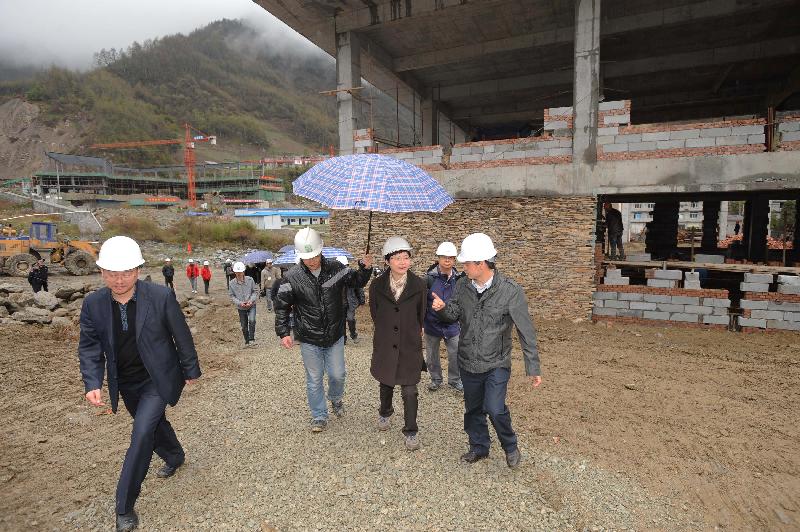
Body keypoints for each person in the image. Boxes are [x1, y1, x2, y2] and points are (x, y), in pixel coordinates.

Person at [78, 236, 201, 532]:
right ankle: (175, 455)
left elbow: (180, 335)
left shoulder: (160, 297)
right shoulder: (93, 304)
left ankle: (124, 507)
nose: (119, 280)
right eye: (112, 273)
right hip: (126, 383)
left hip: (158, 378)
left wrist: (191, 369)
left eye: (125, 273)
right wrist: (93, 382)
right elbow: (90, 347)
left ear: (136, 270)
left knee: (142, 431)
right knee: (154, 425)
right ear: (102, 273)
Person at [431, 233, 542, 469]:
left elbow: (526, 332)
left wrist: (533, 367)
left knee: (494, 407)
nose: (463, 267)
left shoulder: (510, 291)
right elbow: (454, 314)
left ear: (481, 264)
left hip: (496, 363)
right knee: (473, 408)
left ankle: (510, 446)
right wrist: (441, 309)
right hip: (468, 360)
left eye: (467, 263)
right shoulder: (462, 286)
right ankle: (479, 446)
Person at [275, 227, 372, 432]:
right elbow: (282, 306)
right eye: (307, 257)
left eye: (315, 256)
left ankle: (335, 398)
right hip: (309, 337)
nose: (312, 261)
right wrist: (284, 332)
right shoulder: (291, 277)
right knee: (314, 379)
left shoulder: (336, 268)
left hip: (335, 334)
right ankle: (319, 415)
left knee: (338, 375)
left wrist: (364, 268)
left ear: (321, 250)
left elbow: (357, 281)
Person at [369, 237, 426, 451]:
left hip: (409, 344)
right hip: (385, 342)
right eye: (396, 258)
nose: (402, 262)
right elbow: (376, 313)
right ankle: (385, 412)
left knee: (410, 390)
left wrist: (410, 331)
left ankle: (411, 430)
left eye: (406, 257)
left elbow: (421, 315)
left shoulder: (419, 285)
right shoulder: (377, 285)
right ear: (387, 261)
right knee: (386, 381)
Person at [424, 242, 463, 392]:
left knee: (456, 353)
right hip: (432, 323)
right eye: (444, 257)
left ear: (454, 260)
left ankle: (454, 380)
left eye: (451, 257)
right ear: (438, 258)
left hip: (452, 324)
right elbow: (421, 302)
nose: (447, 260)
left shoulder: (460, 279)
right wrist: (421, 323)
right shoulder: (429, 279)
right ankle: (436, 379)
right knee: (432, 355)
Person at [228, 261, 258, 347]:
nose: (239, 274)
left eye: (240, 272)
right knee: (244, 325)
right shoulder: (232, 283)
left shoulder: (250, 280)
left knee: (252, 320)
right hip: (241, 307)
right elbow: (232, 296)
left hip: (251, 305)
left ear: (243, 271)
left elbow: (255, 291)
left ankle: (252, 339)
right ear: (234, 272)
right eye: (237, 272)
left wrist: (251, 301)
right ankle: (247, 341)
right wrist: (240, 303)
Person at [337, 256, 365, 344]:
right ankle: (343, 339)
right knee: (341, 322)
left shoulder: (352, 275)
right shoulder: (335, 277)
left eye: (345, 266)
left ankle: (353, 335)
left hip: (350, 303)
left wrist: (362, 300)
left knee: (350, 318)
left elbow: (359, 288)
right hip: (340, 303)